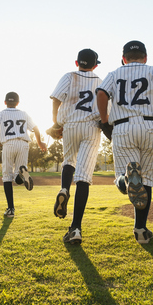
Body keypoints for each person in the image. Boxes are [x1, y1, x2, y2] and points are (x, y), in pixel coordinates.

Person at [96, 40, 153, 244]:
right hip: (152, 126)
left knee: (124, 174)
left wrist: (104, 121)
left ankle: (126, 180)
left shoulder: (114, 73)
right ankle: (140, 230)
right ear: (145, 57)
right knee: (146, 180)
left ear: (123, 58)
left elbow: (101, 93)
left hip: (124, 127)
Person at [49, 49, 104, 245]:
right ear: (95, 65)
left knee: (69, 160)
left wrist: (56, 123)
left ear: (76, 62)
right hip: (91, 127)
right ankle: (75, 228)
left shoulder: (69, 75)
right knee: (83, 177)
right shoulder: (101, 80)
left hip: (70, 125)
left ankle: (64, 189)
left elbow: (56, 98)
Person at [0, 92, 47, 218]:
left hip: (8, 143)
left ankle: (11, 209)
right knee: (18, 178)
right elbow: (35, 128)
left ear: (5, 102)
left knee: (7, 177)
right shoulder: (23, 113)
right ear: (18, 103)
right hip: (24, 143)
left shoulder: (1, 114)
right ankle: (22, 172)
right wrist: (40, 142)